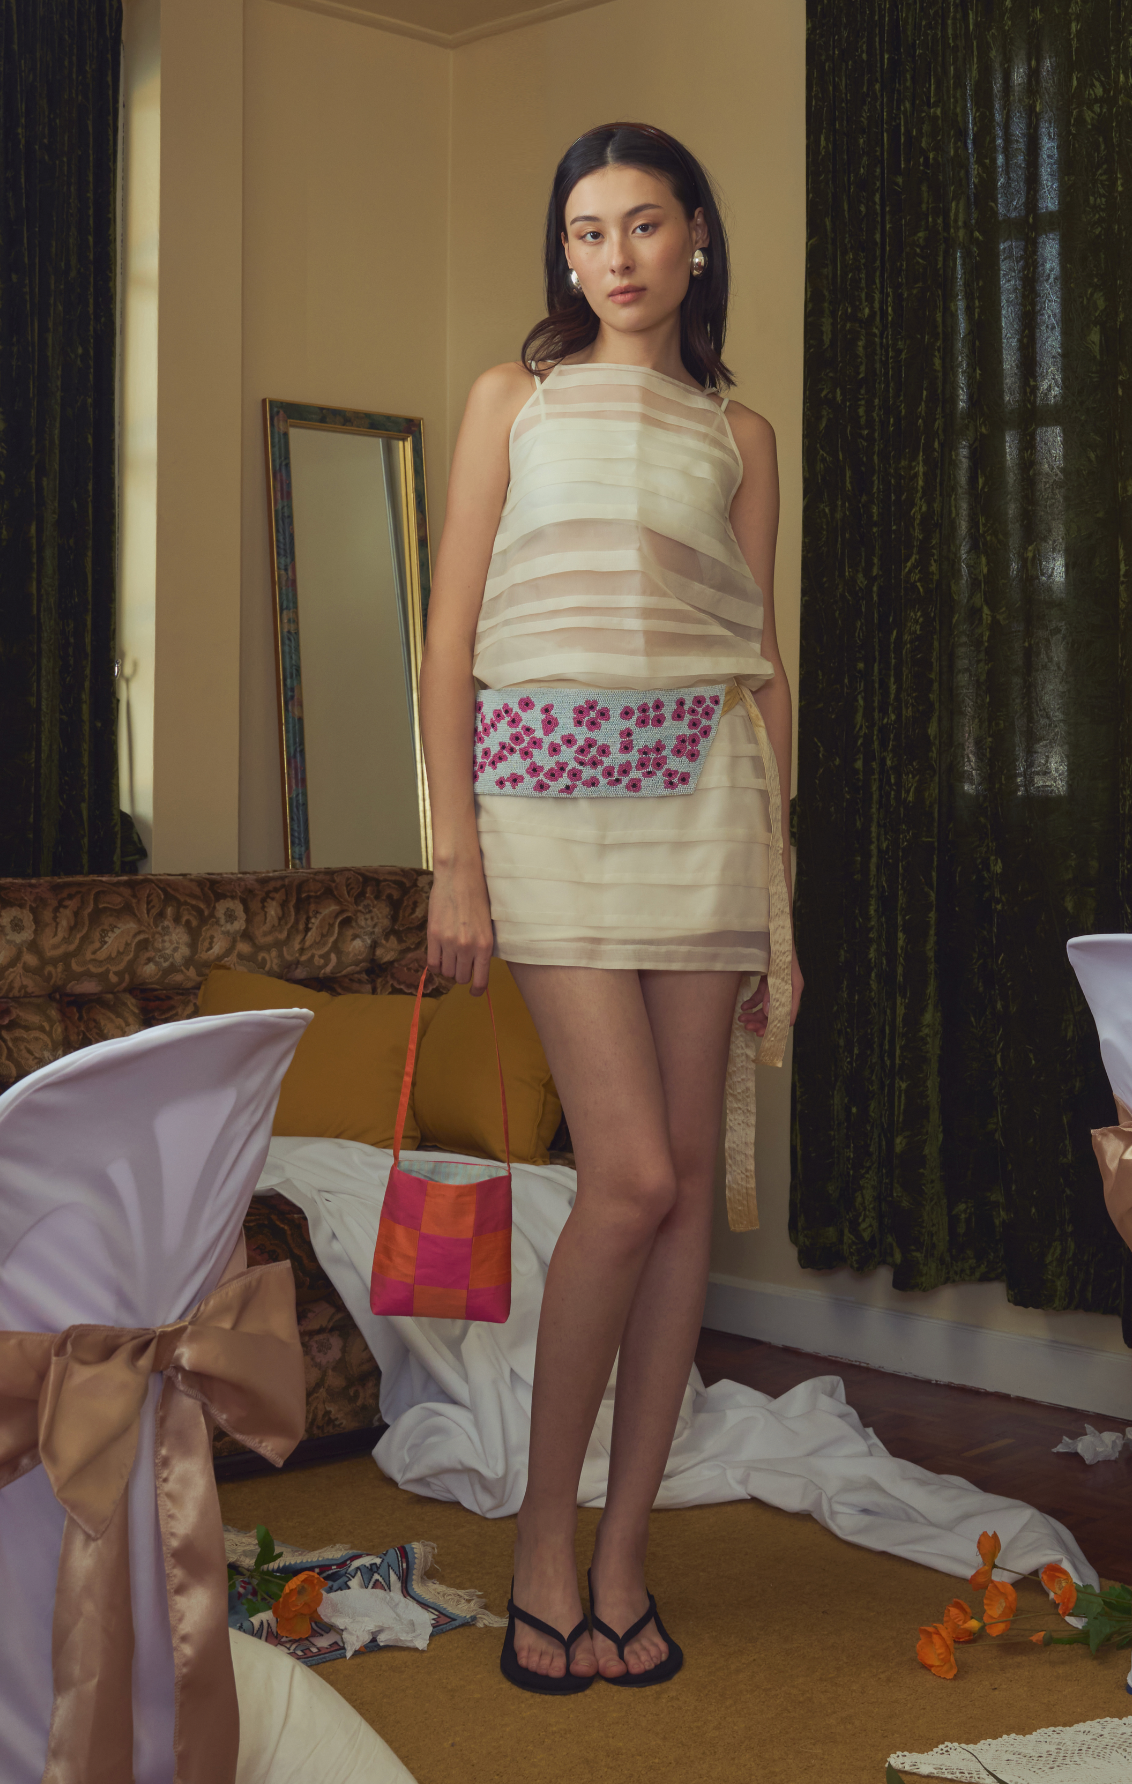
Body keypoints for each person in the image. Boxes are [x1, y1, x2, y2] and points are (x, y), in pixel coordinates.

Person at [418, 120, 802, 1694]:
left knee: (688, 1187)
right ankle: (542, 1543)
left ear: (696, 236)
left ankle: (625, 1555)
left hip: (709, 805)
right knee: (630, 1175)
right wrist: (454, 857)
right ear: (563, 253)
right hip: (546, 810)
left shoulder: (741, 433)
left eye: (643, 224)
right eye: (587, 231)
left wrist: (782, 904)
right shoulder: (511, 401)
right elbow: (449, 640)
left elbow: (761, 669)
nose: (615, 256)